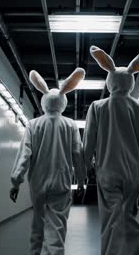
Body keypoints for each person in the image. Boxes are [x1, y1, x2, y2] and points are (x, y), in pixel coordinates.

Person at [84, 46, 139, 255]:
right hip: (134, 172)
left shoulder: (97, 107)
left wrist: (83, 169)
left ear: (109, 81)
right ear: (130, 82)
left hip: (107, 171)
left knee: (111, 217)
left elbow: (89, 141)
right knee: (127, 213)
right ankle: (130, 249)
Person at [10, 68, 87, 255]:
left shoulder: (33, 124)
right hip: (61, 184)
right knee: (57, 229)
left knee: (38, 225)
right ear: (63, 102)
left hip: (38, 184)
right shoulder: (70, 125)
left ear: (44, 102)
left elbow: (24, 155)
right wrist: (82, 180)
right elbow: (78, 154)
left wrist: (16, 182)